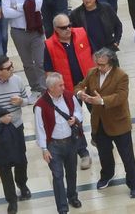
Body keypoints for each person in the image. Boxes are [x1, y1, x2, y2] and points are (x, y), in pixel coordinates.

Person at [82, 47, 135, 195]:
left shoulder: (121, 76)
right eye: (98, 64)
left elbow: (121, 96)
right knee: (104, 154)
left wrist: (101, 100)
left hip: (119, 123)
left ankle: (133, 183)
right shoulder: (92, 73)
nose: (99, 67)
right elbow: (81, 85)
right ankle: (107, 175)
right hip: (99, 122)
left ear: (111, 63)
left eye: (102, 65)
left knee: (127, 156)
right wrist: (80, 93)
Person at [0, 58, 32, 213]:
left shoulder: (17, 80)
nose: (12, 69)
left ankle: (22, 184)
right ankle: (11, 199)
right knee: (3, 166)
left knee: (21, 160)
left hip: (16, 127)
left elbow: (28, 99)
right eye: (8, 67)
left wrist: (21, 101)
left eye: (11, 66)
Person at [34, 71, 87, 214]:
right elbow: (40, 128)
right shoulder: (40, 105)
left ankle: (72, 196)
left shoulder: (69, 96)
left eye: (63, 84)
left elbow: (79, 111)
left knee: (72, 172)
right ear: (50, 88)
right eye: (60, 85)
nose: (63, 87)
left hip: (71, 142)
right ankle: (62, 208)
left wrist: (75, 118)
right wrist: (44, 149)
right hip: (54, 146)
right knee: (57, 176)